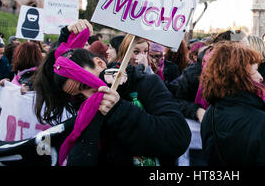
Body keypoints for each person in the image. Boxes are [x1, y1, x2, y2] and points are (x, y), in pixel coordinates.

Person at [33, 20, 191, 166]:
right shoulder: (83, 105)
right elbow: (50, 78)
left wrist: (119, 110)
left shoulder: (146, 83)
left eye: (86, 84)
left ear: (100, 63)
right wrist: (65, 36)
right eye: (80, 94)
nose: (88, 96)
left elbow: (177, 137)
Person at [200, 41, 265, 166]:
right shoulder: (264, 124)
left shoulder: (209, 114)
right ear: (240, 76)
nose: (261, 77)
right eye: (255, 70)